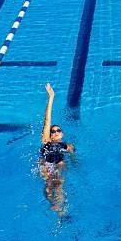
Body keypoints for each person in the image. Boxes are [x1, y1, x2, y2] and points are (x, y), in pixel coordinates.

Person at [39, 83, 75, 214]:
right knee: (49, 185)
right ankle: (53, 204)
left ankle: (61, 210)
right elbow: (47, 119)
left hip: (59, 164)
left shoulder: (67, 145)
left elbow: (73, 158)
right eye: (52, 131)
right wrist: (51, 97)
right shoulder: (46, 140)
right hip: (46, 164)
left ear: (62, 133)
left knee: (59, 183)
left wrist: (76, 163)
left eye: (58, 130)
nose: (55, 132)